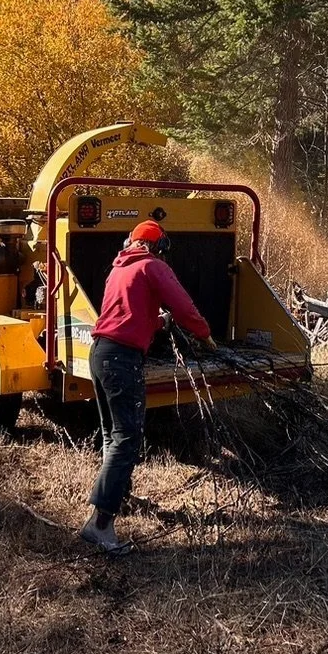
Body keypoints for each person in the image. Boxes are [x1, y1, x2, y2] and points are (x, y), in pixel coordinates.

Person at [80, 219, 214, 554]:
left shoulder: (119, 269)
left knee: (113, 435)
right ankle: (100, 525)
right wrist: (205, 335)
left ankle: (116, 499)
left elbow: (125, 314)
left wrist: (158, 322)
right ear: (157, 246)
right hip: (122, 360)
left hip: (100, 354)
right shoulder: (152, 266)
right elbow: (184, 306)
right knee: (127, 438)